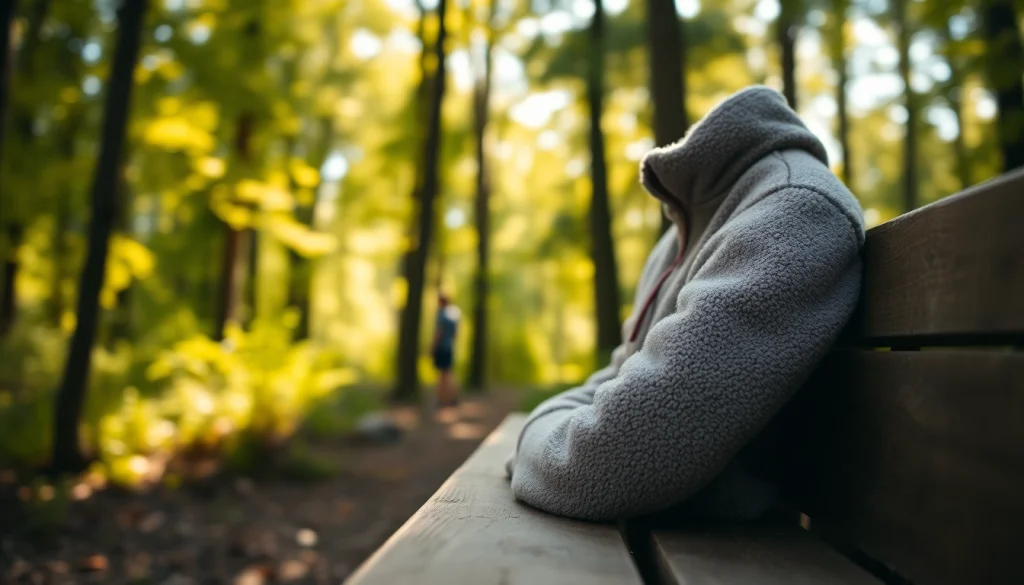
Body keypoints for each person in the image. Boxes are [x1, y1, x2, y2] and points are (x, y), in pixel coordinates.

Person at [505, 86, 865, 522]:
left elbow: (613, 460)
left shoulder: (795, 212)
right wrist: (550, 430)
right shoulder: (686, 229)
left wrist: (533, 437)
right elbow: (617, 376)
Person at [431, 292, 461, 408]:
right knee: (448, 373)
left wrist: (433, 346)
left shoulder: (441, 314)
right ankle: (452, 396)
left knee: (442, 375)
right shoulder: (453, 317)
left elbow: (439, 332)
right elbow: (455, 334)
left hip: (442, 347)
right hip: (450, 347)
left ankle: (441, 399)